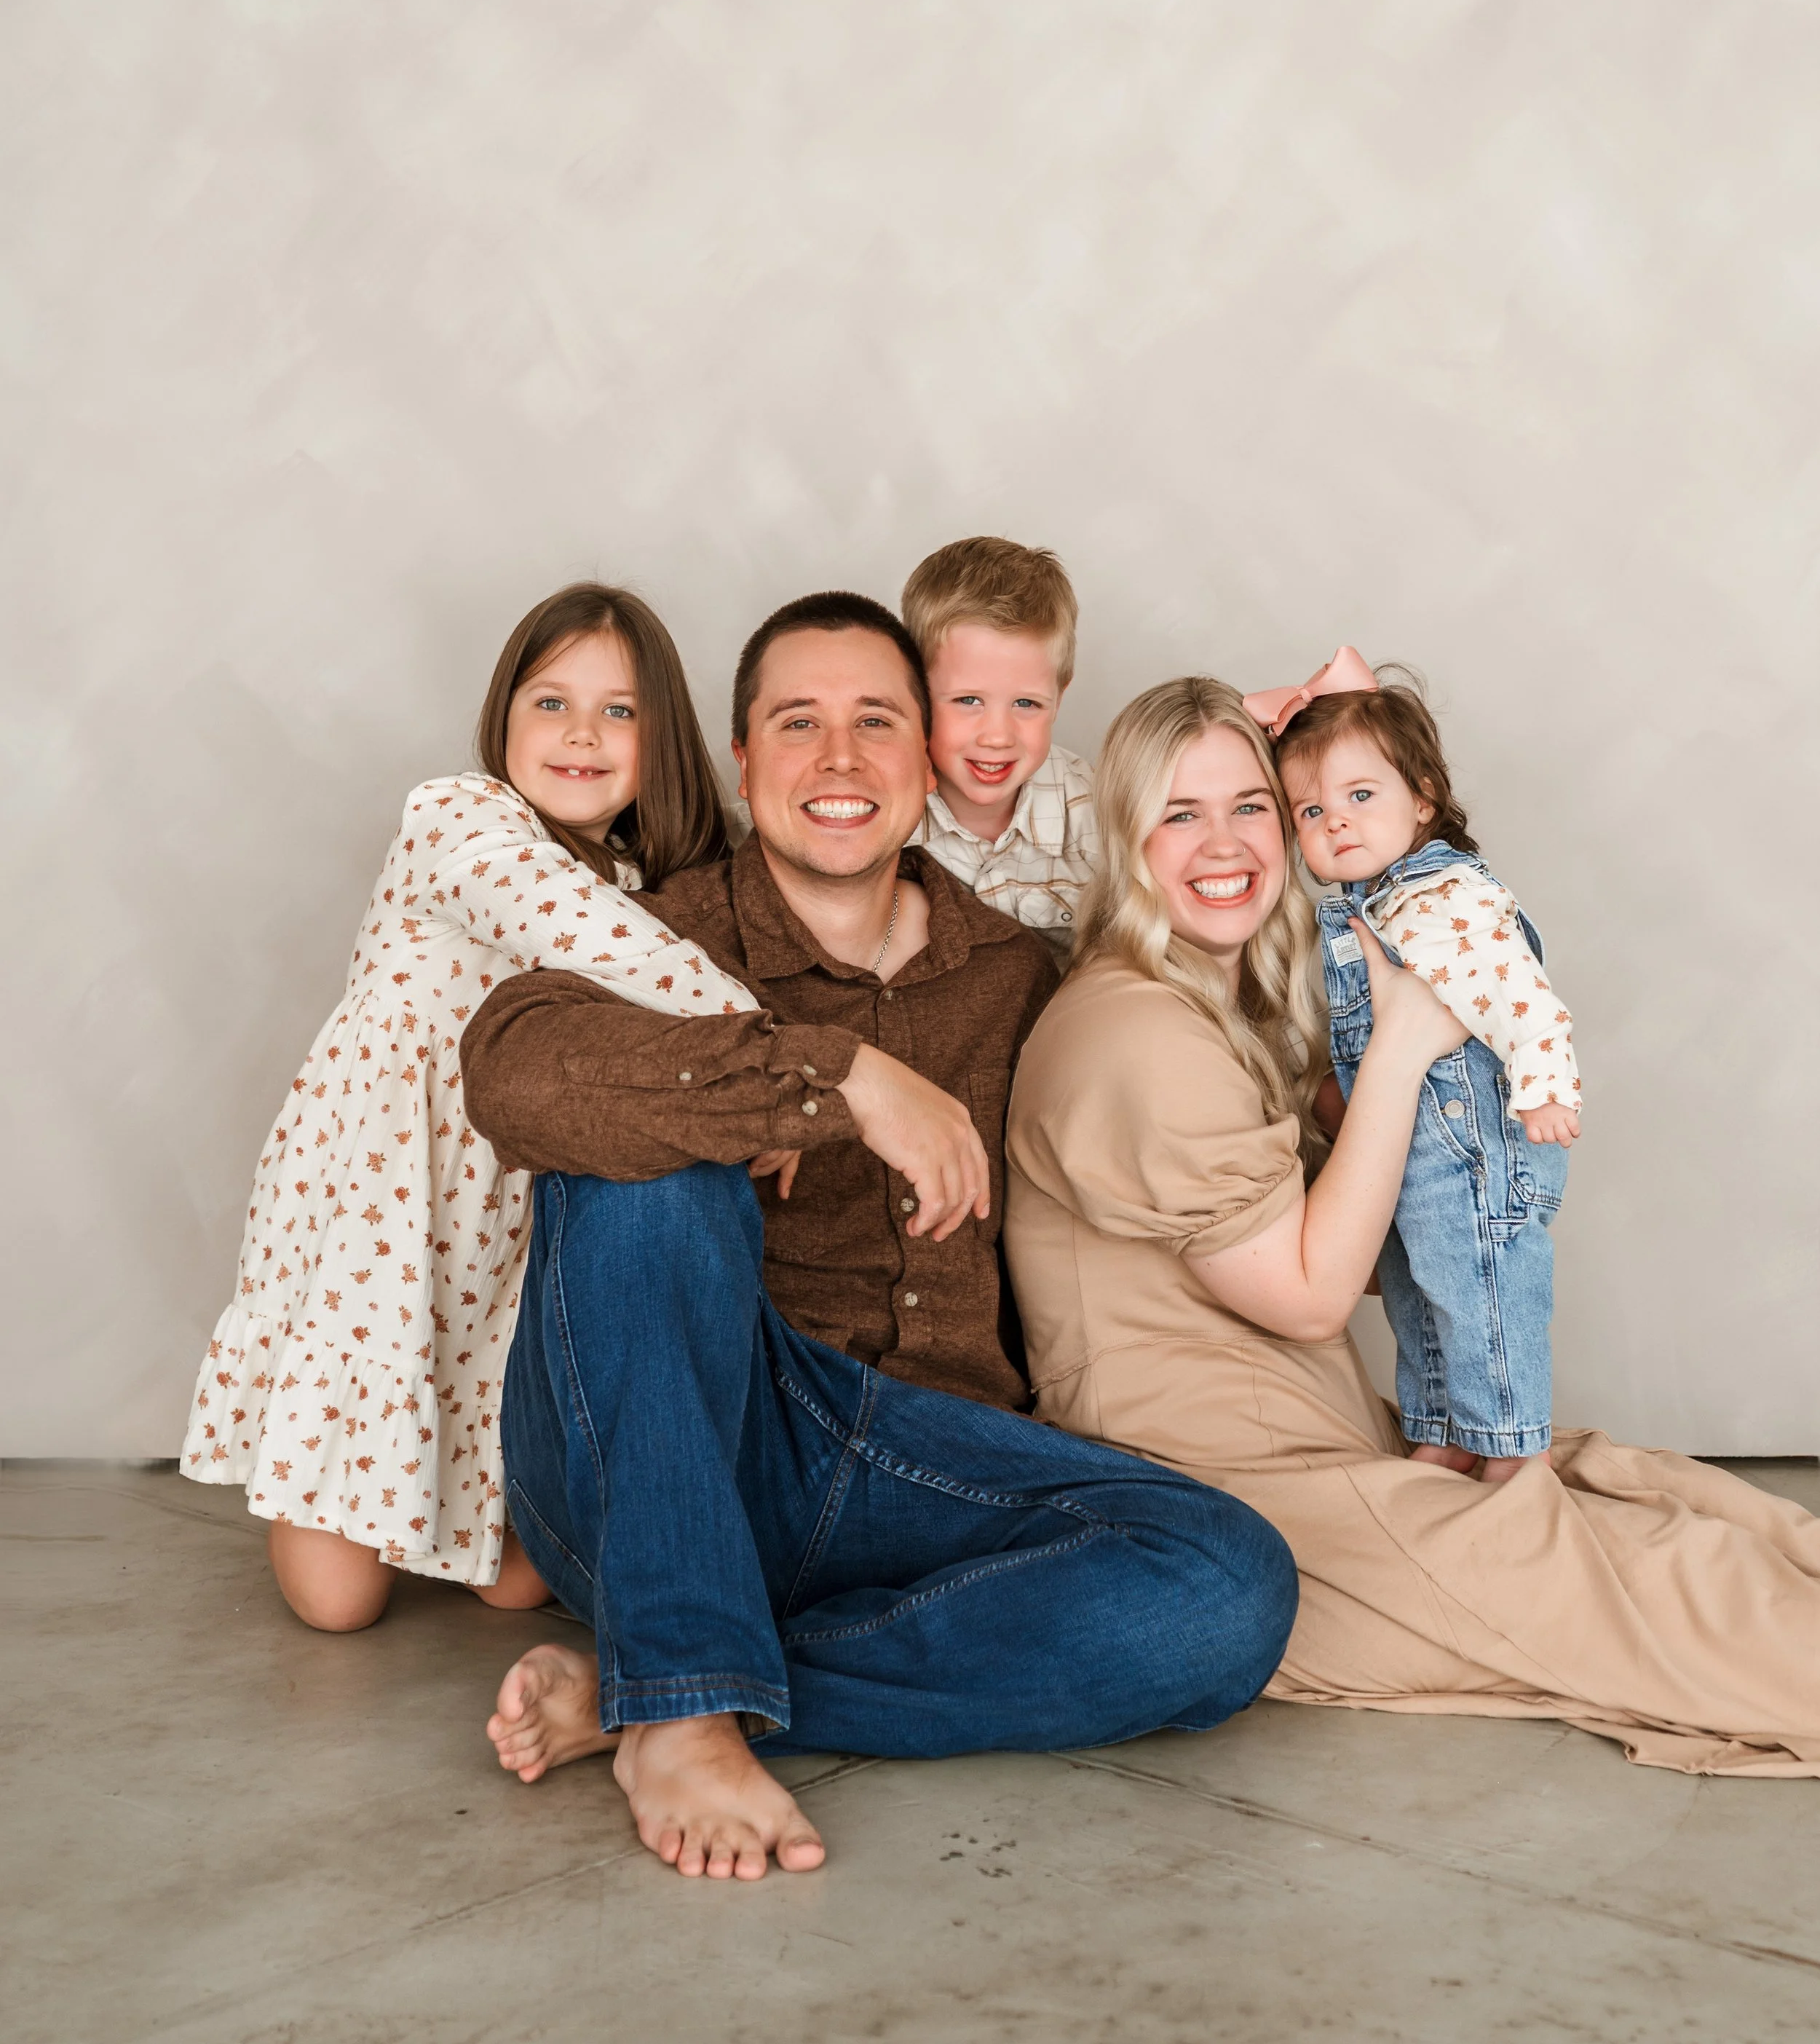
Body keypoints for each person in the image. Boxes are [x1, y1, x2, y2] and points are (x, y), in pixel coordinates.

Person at [459, 593, 1299, 1880]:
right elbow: (512, 1067)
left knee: (1225, 1587)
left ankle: (675, 1677)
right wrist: (837, 1074)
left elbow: (1221, 1081)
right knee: (643, 1161)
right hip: (687, 1430)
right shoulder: (653, 938)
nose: (839, 759)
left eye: (877, 723)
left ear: (926, 757)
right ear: (743, 761)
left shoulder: (1022, 976)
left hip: (928, 1460)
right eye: (798, 723)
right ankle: (681, 1703)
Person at [1005, 676, 1820, 1777]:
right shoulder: (1132, 1034)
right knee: (1624, 1582)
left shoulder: (1211, 995)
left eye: (1253, 805)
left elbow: (1375, 1249)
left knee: (1629, 1485)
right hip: (1227, 1495)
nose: (1225, 844)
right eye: (1178, 813)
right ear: (1125, 835)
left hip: (1324, 1436)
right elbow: (1309, 1294)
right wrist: (1401, 1049)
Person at [181, 583, 756, 1630]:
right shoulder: (458, 817)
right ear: (503, 716)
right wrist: (768, 1061)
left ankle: (453, 1489)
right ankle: (354, 1486)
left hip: (512, 1204)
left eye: (620, 711)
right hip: (389, 1187)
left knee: (521, 1582)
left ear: (662, 734)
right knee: (339, 1606)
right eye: (552, 702)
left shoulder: (649, 881)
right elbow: (587, 935)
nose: (582, 734)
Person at [1262, 647, 1580, 1480]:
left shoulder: (1446, 894)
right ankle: (1440, 1429)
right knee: (1415, 1291)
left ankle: (1512, 1453)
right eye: (1309, 811)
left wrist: (1546, 1087)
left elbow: (1521, 990)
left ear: (1423, 799)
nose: (1335, 822)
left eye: (1360, 796)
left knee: (1479, 1297)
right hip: (1406, 1152)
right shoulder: (1371, 903)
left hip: (1477, 1150)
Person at [901, 537, 1099, 955]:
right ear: (915, 690)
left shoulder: (1093, 809)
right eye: (968, 700)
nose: (997, 736)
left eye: (1026, 703)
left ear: (1059, 697)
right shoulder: (888, 800)